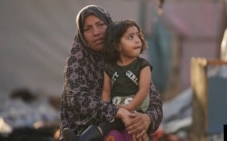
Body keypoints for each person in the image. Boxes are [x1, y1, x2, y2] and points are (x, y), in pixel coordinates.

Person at [59, 5, 163, 141]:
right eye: (87, 29)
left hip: (128, 129)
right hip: (84, 132)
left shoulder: (126, 58)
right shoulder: (77, 63)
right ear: (81, 35)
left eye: (100, 24)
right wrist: (118, 112)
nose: (96, 32)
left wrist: (147, 118)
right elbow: (79, 101)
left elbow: (154, 100)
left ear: (110, 26)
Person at [100, 19, 153, 140]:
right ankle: (80, 138)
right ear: (117, 45)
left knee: (133, 134)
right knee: (111, 135)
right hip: (117, 112)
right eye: (130, 37)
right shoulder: (109, 67)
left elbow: (143, 91)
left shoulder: (142, 65)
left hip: (137, 112)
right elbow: (106, 92)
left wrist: (129, 108)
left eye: (138, 36)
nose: (137, 40)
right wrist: (105, 110)